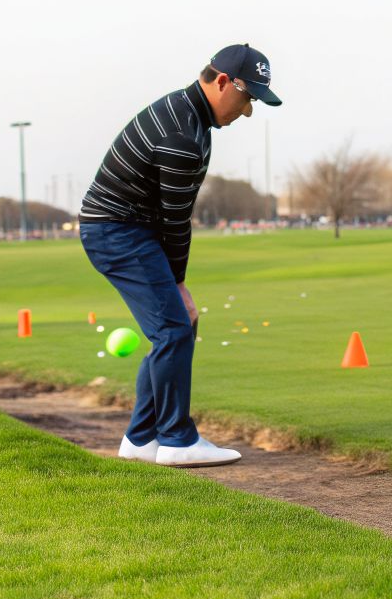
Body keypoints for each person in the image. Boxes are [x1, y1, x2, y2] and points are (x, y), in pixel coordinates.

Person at [78, 45, 281, 467]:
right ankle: (176, 441)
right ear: (223, 82)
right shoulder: (183, 137)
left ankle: (141, 438)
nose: (247, 112)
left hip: (128, 229)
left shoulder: (187, 113)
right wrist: (180, 284)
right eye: (248, 98)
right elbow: (176, 221)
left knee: (174, 327)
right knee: (174, 328)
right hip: (117, 231)